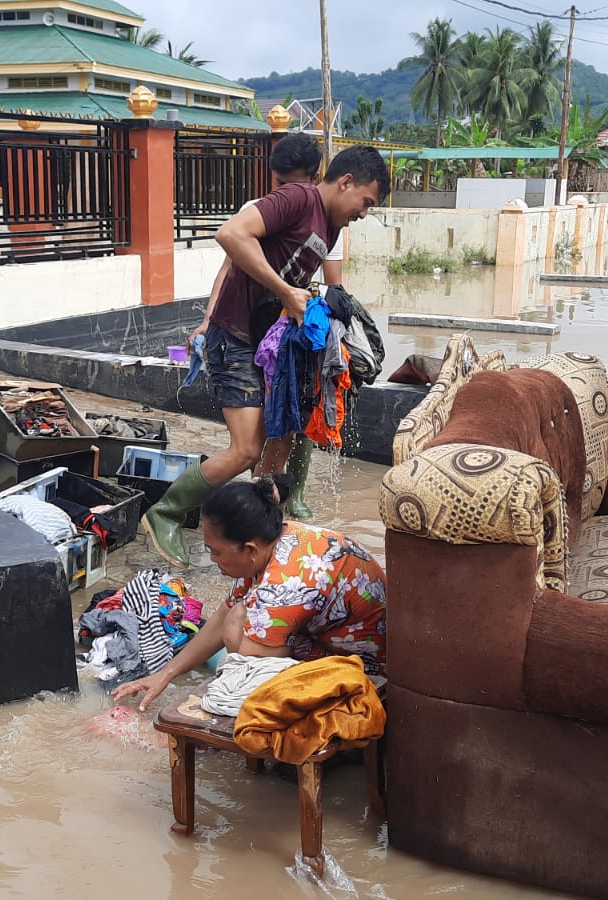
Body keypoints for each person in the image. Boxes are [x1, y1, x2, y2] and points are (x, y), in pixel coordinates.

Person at [140, 146, 391, 567]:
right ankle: (164, 511)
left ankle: (258, 532)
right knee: (246, 449)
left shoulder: (328, 227)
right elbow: (231, 235)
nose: (363, 213)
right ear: (346, 182)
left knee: (285, 434)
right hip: (233, 336)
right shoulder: (299, 199)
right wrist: (283, 290)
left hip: (262, 344)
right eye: (365, 202)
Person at [114, 476, 386, 712]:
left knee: (238, 645)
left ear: (249, 550)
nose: (212, 559)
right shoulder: (277, 538)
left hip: (366, 669)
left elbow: (249, 669)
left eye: (216, 552)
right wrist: (165, 674)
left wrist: (233, 642)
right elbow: (222, 615)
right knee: (237, 621)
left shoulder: (285, 584)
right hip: (335, 637)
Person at [187, 133, 344, 521]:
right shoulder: (267, 208)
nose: (288, 189)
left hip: (285, 330)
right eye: (280, 183)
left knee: (293, 424)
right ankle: (195, 510)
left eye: (295, 181)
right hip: (249, 331)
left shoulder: (331, 219)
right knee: (252, 443)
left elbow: (334, 282)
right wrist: (208, 319)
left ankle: (286, 497)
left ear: (314, 175)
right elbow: (230, 263)